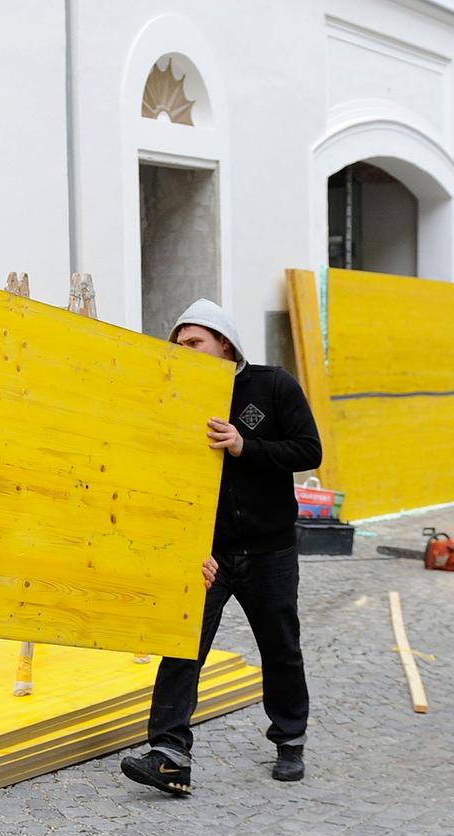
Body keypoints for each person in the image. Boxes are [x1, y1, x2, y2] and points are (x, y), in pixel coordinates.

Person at [121, 299, 323, 796]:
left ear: (224, 343)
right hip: (208, 553)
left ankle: (290, 740)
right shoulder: (177, 398)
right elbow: (167, 478)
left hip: (270, 549)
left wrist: (244, 446)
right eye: (179, 345)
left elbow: (308, 450)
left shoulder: (273, 386)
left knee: (280, 649)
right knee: (182, 648)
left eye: (194, 343)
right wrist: (188, 546)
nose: (185, 351)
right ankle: (169, 754)